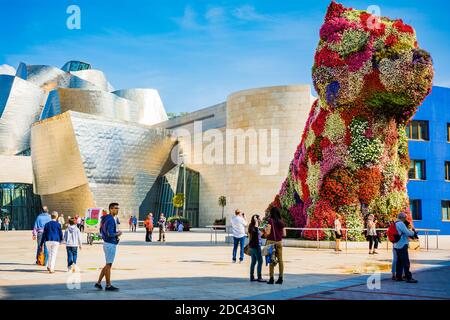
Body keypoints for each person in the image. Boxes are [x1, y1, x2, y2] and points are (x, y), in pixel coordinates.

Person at [95, 202, 123, 291]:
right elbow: (110, 233)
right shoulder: (110, 219)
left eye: (118, 208)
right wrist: (118, 234)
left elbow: (103, 231)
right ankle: (108, 285)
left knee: (107, 264)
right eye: (115, 208)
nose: (117, 209)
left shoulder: (105, 218)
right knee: (108, 265)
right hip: (110, 244)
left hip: (107, 243)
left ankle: (98, 283)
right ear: (110, 209)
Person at [394, 212, 418, 283]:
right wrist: (414, 233)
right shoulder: (401, 223)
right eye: (405, 218)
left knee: (399, 261)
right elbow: (407, 232)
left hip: (396, 245)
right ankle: (408, 277)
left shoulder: (395, 223)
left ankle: (398, 276)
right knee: (406, 262)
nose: (405, 219)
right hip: (402, 244)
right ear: (402, 217)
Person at [265, 207, 286, 285]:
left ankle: (271, 278)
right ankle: (280, 278)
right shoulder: (281, 221)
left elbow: (268, 232)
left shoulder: (270, 220)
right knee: (280, 260)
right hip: (279, 242)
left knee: (271, 259)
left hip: (271, 242)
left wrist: (266, 231)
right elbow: (284, 233)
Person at [248, 214, 265, 282]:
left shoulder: (253, 227)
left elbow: (258, 235)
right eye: (259, 219)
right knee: (260, 261)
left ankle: (252, 277)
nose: (260, 220)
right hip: (256, 246)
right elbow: (254, 233)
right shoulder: (253, 227)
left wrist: (263, 230)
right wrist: (256, 222)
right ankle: (259, 277)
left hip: (253, 246)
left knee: (253, 262)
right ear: (256, 220)